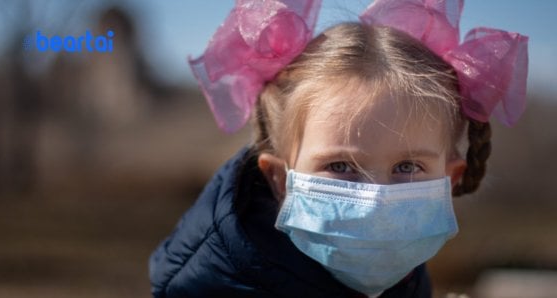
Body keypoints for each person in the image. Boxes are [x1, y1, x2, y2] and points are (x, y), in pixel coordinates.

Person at [149, 0, 528, 297]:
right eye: (341, 166)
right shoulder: (214, 286)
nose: (375, 200)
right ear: (280, 178)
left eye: (409, 166)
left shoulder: (407, 279)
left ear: (449, 179)